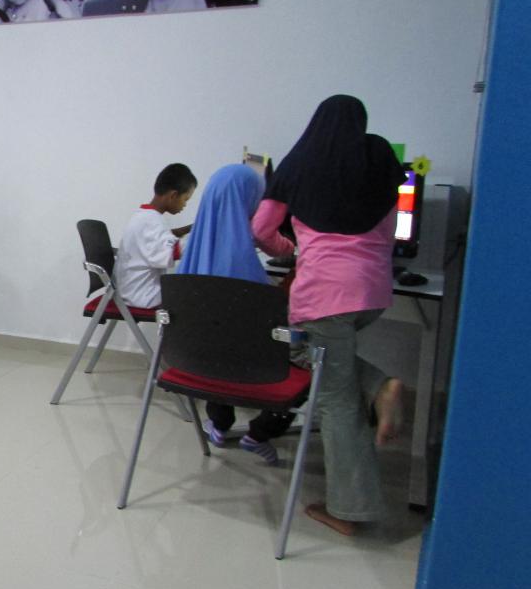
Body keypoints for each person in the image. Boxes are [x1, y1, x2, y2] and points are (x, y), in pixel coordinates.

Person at [252, 94, 406, 536]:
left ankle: (349, 509)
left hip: (325, 294)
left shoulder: (300, 163)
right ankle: (378, 385)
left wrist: (291, 248)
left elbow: (260, 229)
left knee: (333, 395)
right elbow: (392, 227)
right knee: (325, 364)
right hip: (373, 292)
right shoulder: (379, 158)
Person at [177, 163, 295, 465]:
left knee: (215, 339)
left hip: (198, 368)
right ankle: (261, 432)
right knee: (309, 355)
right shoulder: (249, 276)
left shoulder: (189, 262)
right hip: (258, 371)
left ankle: (218, 424)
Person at [113, 162, 197, 310]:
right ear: (173, 195)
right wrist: (201, 237)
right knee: (196, 293)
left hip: (131, 289)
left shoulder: (145, 216)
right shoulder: (151, 221)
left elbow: (162, 237)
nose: (184, 205)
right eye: (185, 199)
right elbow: (172, 251)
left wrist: (190, 228)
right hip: (143, 296)